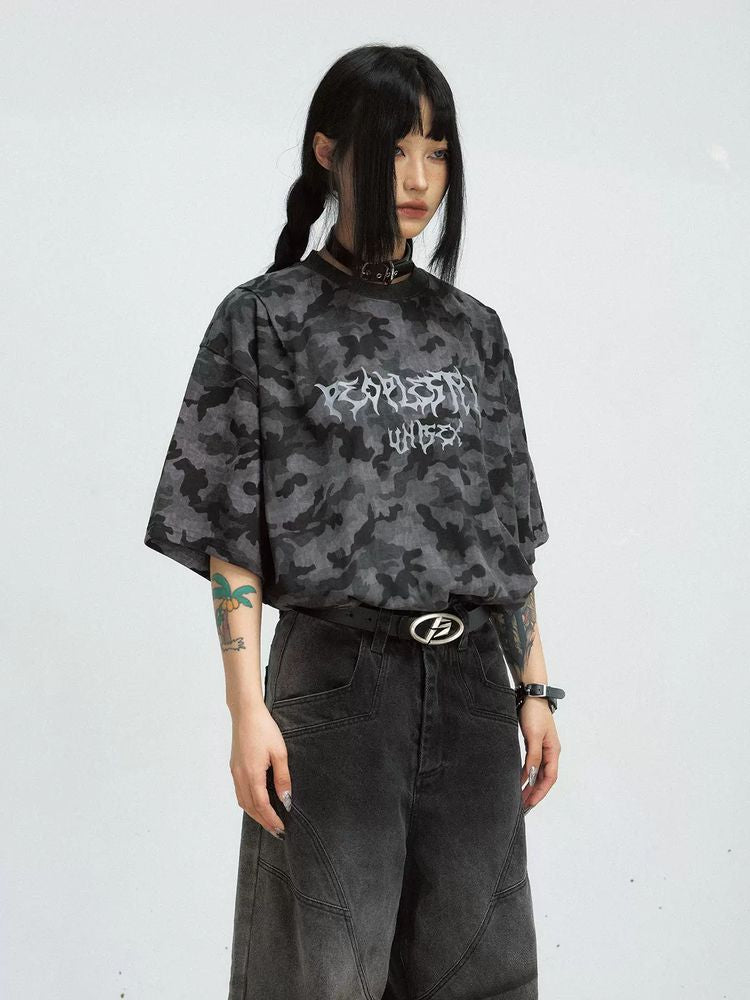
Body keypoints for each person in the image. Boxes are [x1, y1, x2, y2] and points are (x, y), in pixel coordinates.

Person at [144, 43, 565, 1000]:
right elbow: (232, 536)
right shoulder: (266, 319)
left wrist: (535, 687)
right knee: (317, 978)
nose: (418, 179)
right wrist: (246, 708)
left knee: (485, 977)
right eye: (394, 150)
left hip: (474, 692)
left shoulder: (474, 330)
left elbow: (505, 532)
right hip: (336, 692)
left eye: (437, 152)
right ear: (329, 153)